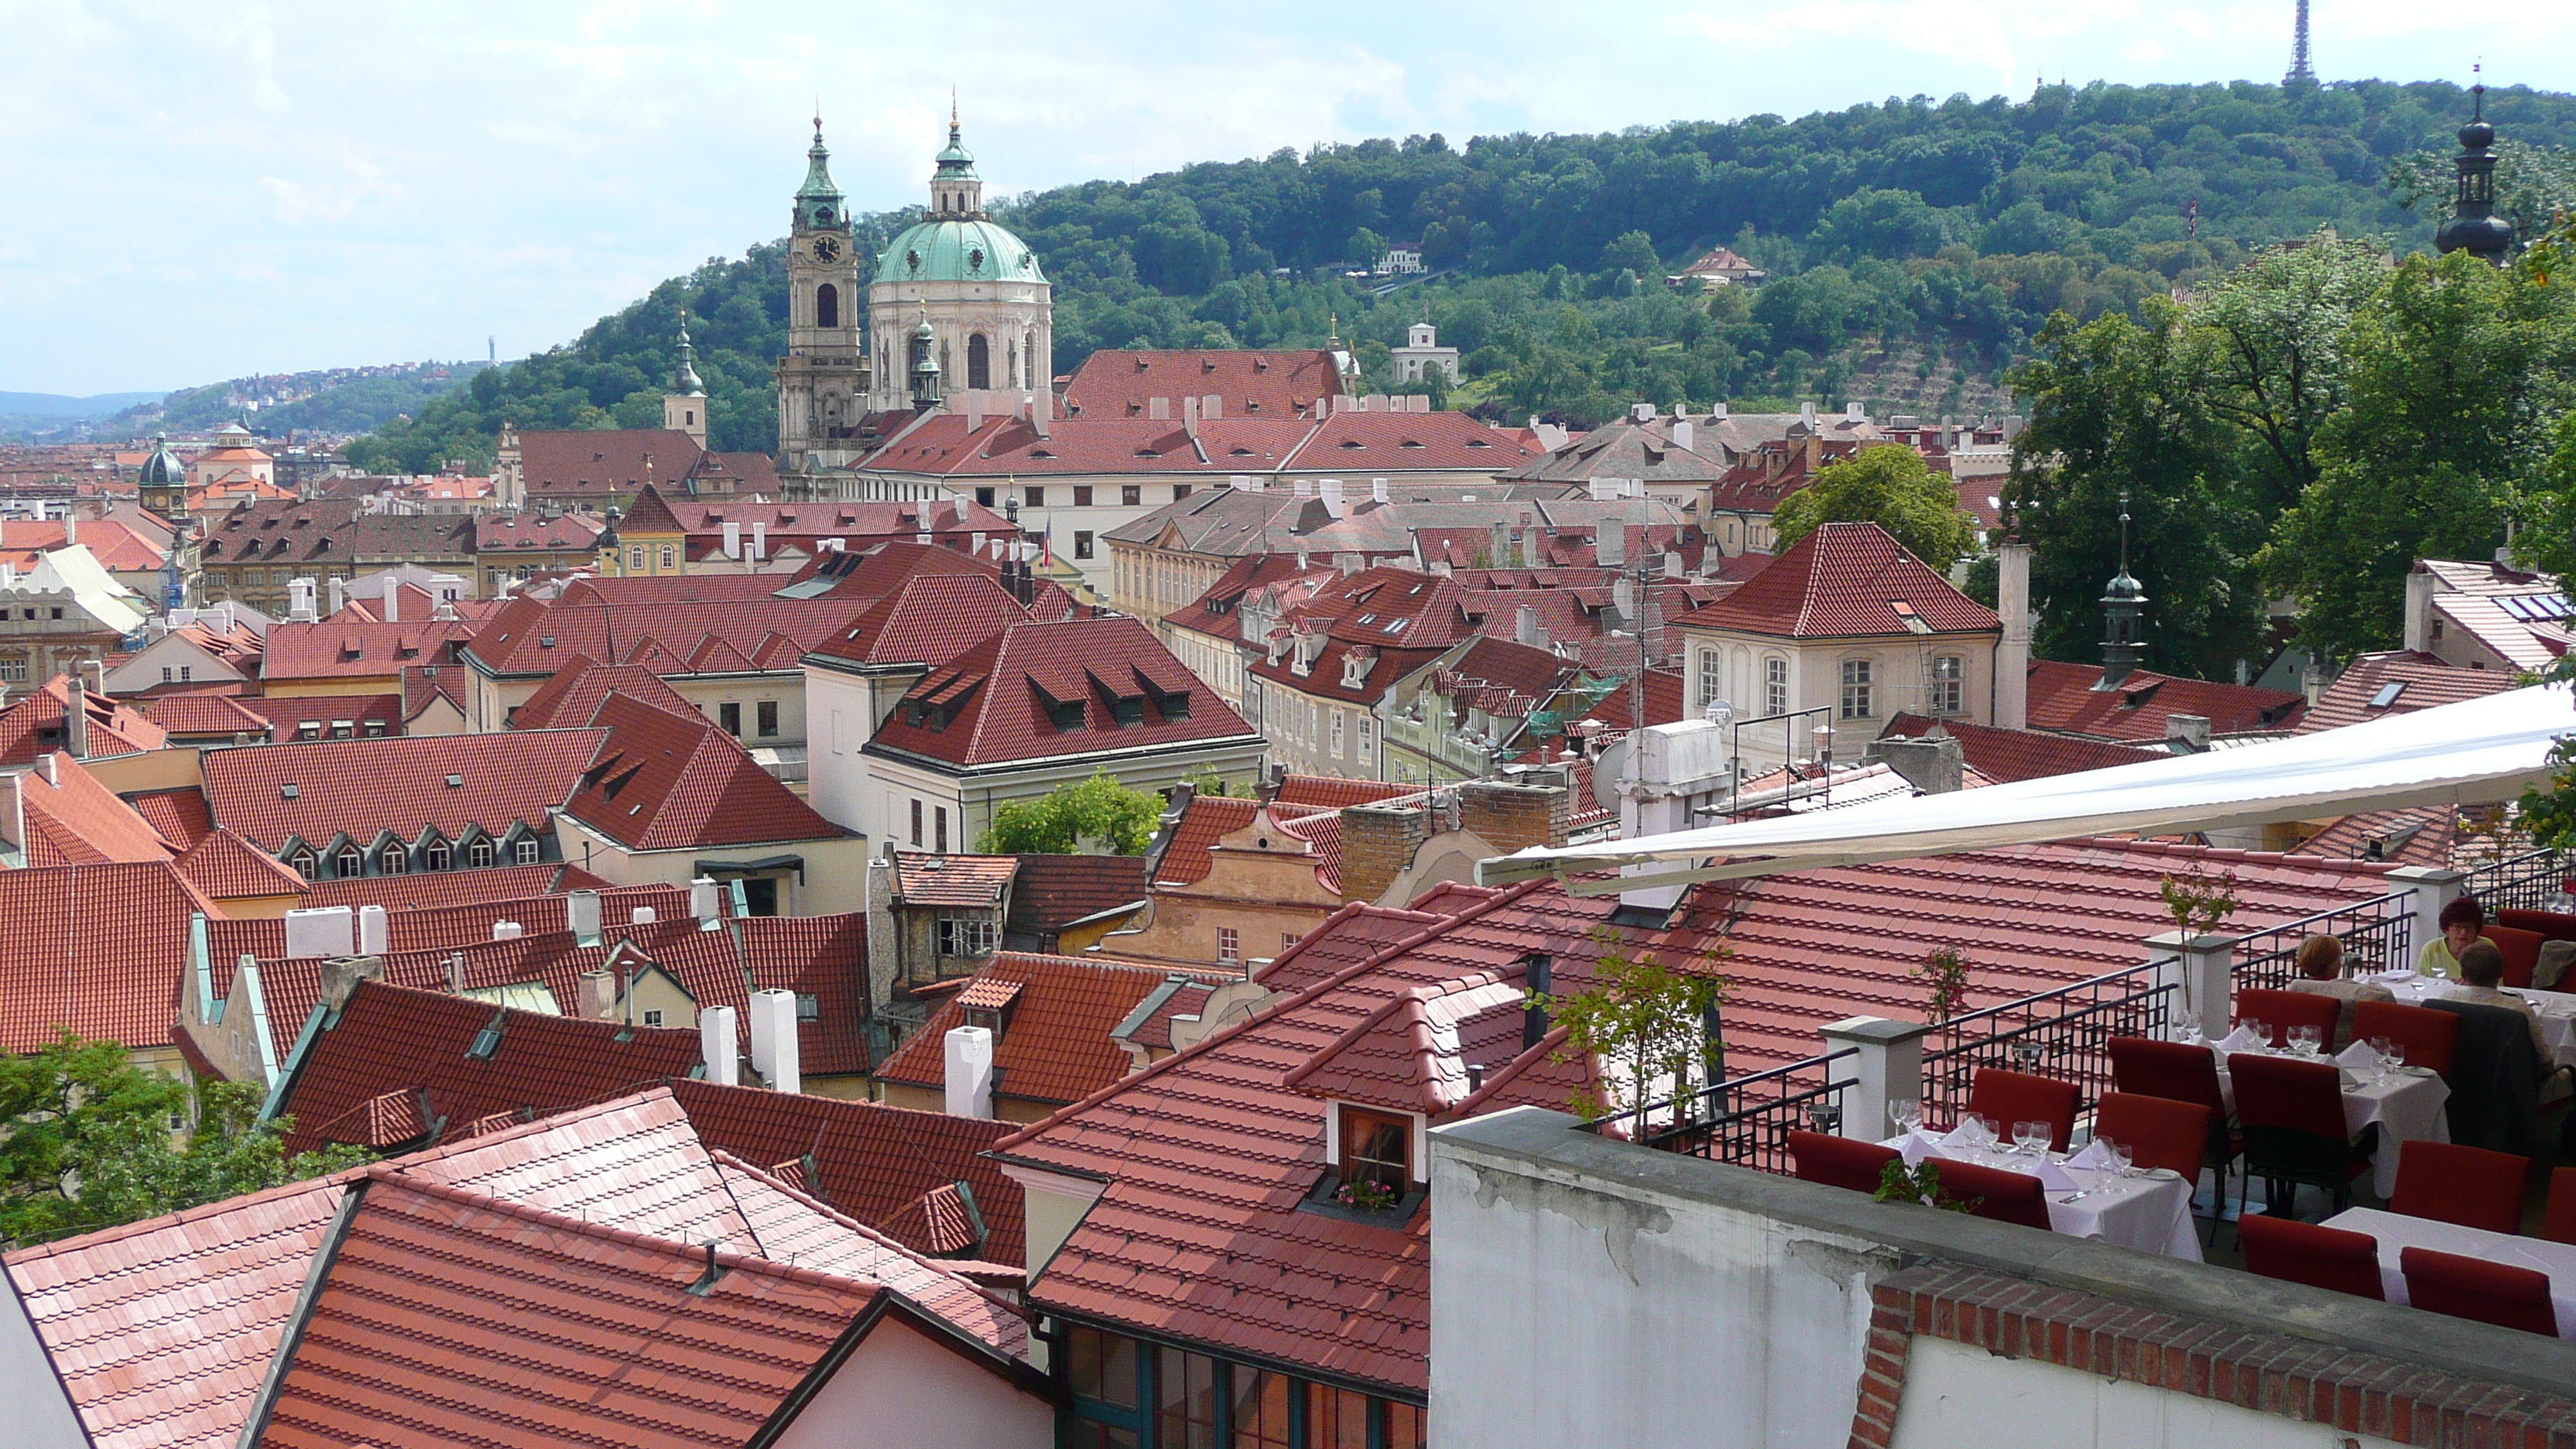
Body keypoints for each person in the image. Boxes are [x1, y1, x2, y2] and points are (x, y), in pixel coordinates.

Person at [2284, 933, 2393, 1050]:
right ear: (2335, 965)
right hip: (2354, 1054)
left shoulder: (2296, 989)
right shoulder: (2370, 995)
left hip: (2308, 1051)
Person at [2452, 939, 2552, 1063]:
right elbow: (2544, 1058)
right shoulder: (2519, 1009)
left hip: (2455, 1076)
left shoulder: (2446, 999)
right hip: (2507, 1079)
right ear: (2501, 973)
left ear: (2463, 975)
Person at [2417, 897, 2493, 981]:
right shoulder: (2432, 949)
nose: (2464, 932)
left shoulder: (2485, 948)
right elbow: (2421, 981)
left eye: (2469, 927)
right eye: (2458, 926)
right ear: (2446, 928)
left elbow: (2494, 987)